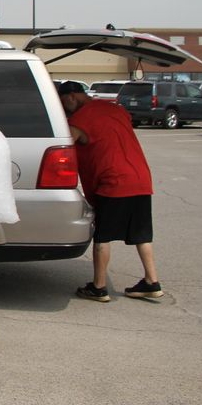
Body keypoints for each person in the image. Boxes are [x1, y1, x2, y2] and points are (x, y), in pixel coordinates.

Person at [56, 80, 163, 302]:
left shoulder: (80, 119)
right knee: (141, 233)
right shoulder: (116, 109)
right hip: (140, 178)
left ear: (72, 97)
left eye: (64, 102)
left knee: (103, 236)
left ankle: (99, 287)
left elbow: (66, 145)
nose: (65, 107)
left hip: (113, 181)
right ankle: (152, 281)